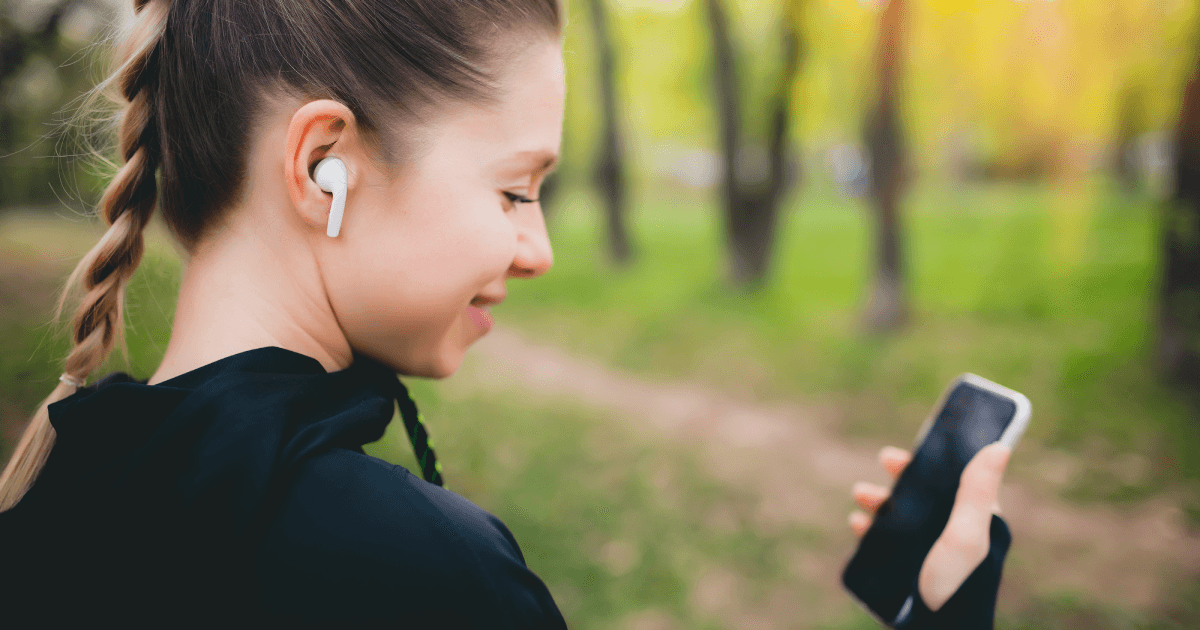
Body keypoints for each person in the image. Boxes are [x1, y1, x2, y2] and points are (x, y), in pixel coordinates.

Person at [0, 0, 1012, 627]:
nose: (540, 250)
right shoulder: (426, 578)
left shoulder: (49, 492)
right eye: (516, 190)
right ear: (325, 167)